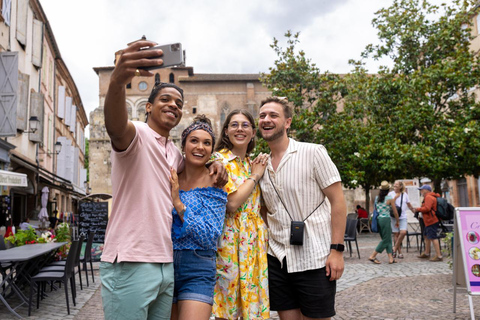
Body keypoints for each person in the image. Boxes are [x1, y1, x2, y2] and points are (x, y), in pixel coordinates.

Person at [100, 40, 226, 320]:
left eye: (178, 103)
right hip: (132, 260)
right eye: (165, 100)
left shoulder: (173, 153)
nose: (173, 105)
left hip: (166, 264)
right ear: (147, 106)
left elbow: (196, 164)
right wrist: (117, 82)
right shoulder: (137, 134)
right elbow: (115, 126)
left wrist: (216, 162)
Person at [257, 97, 347, 320]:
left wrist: (336, 250)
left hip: (315, 257)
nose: (266, 120)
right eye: (262, 116)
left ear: (287, 122)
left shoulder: (313, 152)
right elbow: (264, 210)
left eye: (273, 115)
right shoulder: (259, 165)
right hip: (277, 259)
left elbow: (338, 201)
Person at [169, 115, 233, 320]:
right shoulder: (170, 176)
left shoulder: (215, 182)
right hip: (162, 263)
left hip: (197, 266)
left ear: (212, 150)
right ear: (184, 145)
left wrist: (178, 204)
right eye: (194, 141)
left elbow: (209, 234)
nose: (200, 147)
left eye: (207, 143)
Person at [212, 109, 269, 320]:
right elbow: (232, 203)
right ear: (226, 131)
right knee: (226, 307)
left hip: (254, 242)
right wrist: (255, 176)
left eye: (245, 125)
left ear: (253, 132)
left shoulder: (251, 163)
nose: (240, 129)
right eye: (234, 125)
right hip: (230, 239)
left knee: (252, 304)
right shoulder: (218, 160)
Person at [368, 181, 399, 265]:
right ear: (388, 190)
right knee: (386, 239)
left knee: (387, 239)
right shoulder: (389, 199)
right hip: (386, 220)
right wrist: (397, 221)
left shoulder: (377, 198)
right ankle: (373, 255)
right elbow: (395, 212)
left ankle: (391, 258)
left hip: (379, 220)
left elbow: (376, 209)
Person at [413, 185, 443, 262]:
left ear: (426, 190)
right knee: (426, 236)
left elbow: (427, 208)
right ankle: (426, 253)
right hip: (428, 220)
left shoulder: (428, 197)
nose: (420, 191)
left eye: (421, 190)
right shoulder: (428, 196)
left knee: (433, 237)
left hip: (431, 220)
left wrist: (418, 209)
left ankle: (439, 255)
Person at [389, 181, 415, 259]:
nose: (395, 186)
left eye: (396, 185)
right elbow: (389, 203)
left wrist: (415, 212)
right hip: (393, 217)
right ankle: (399, 252)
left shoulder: (405, 195)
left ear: (400, 186)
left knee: (403, 232)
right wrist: (395, 197)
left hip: (402, 216)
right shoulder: (391, 194)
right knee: (396, 234)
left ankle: (394, 248)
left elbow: (409, 205)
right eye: (394, 185)